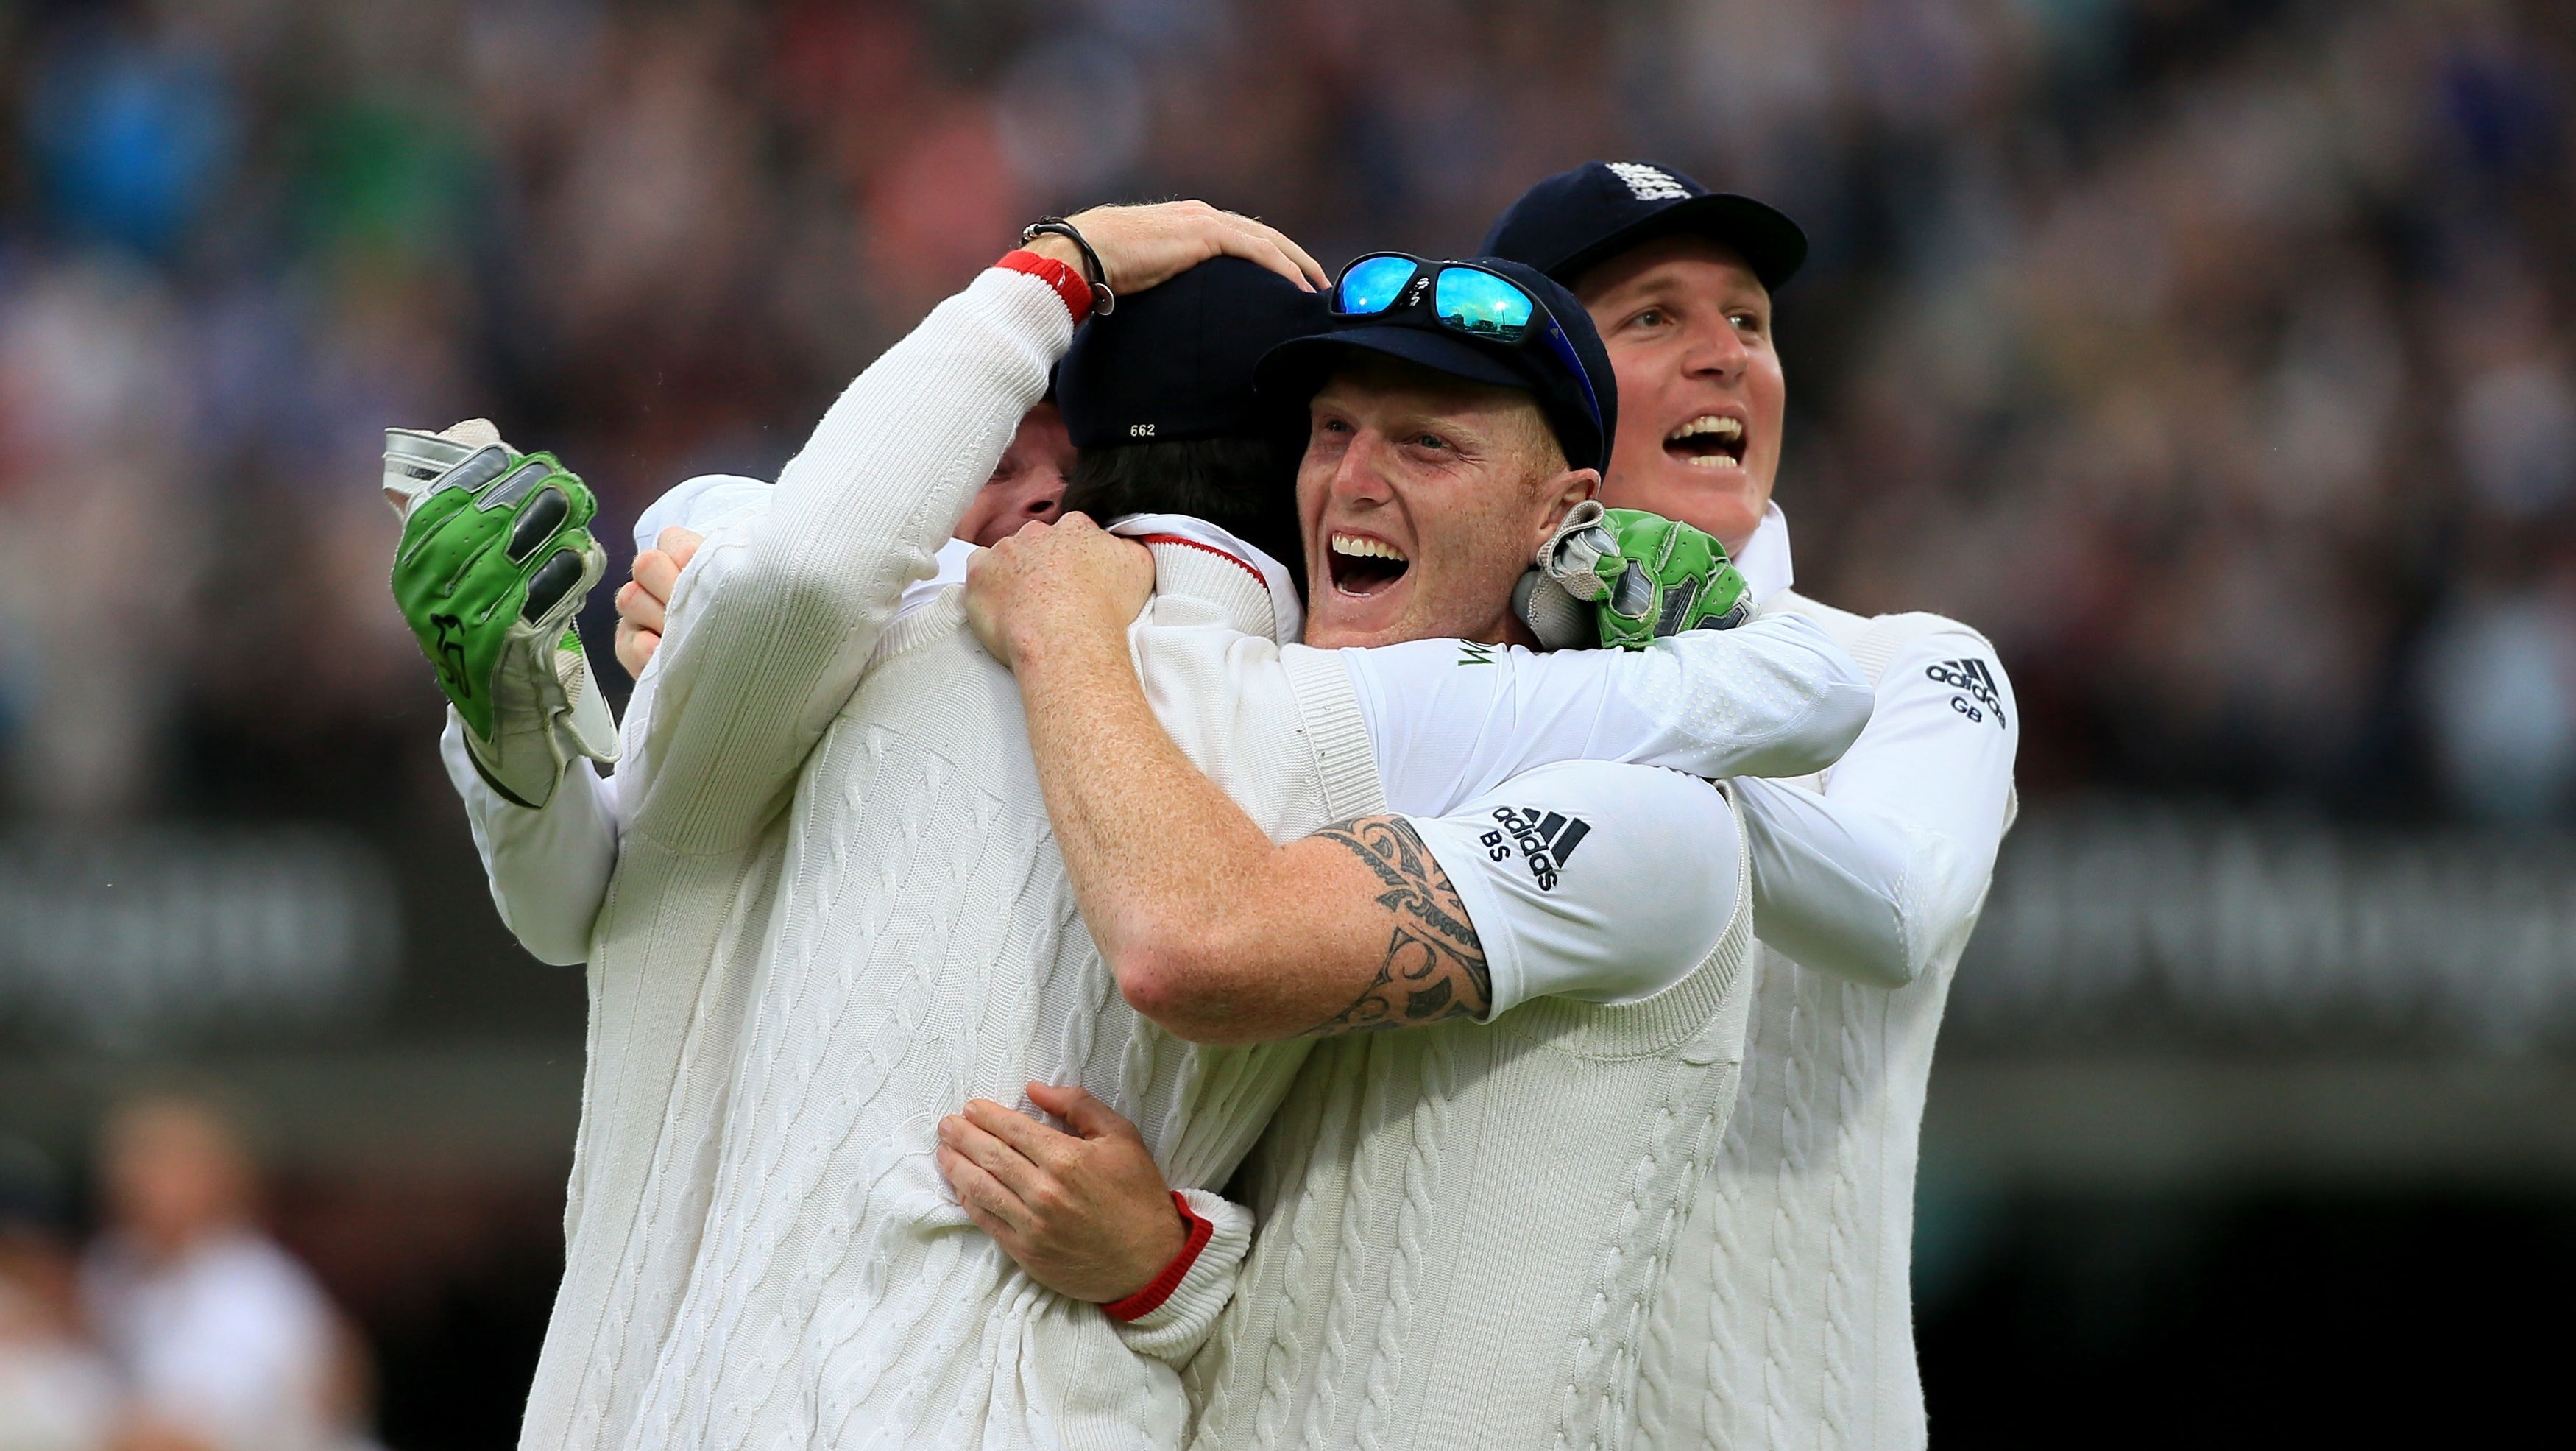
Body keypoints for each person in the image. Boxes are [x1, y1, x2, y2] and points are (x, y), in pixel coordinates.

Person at [393, 204, 1868, 1450]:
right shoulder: (1316, 714)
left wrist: (1056, 281)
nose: (1357, 477)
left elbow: (1194, 940)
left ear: (1565, 508)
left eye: (1427, 445)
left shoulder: (1488, 756)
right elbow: (620, 871)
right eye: (1332, 430)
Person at [1482, 159, 2022, 1450]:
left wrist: (1614, 703)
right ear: (1539, 390)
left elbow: (1896, 910)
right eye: (1653, 317)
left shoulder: (1910, 666)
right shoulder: (1451, 680)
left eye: (1749, 320)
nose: (1726, 353)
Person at [77, 1098, 375, 1451]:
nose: (138, 1180)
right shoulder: (115, 1264)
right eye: (132, 1161)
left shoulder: (253, 1289)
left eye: (169, 1164)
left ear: (223, 1178)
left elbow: (175, 1439)